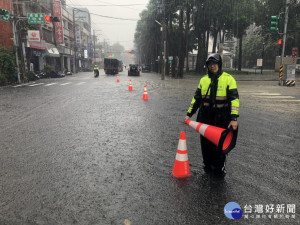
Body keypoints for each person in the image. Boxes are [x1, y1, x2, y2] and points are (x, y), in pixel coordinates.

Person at [184, 53, 239, 177]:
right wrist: (189, 114)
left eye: (214, 64)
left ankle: (219, 171)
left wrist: (234, 118)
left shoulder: (228, 79)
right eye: (209, 64)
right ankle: (207, 167)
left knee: (220, 147)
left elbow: (234, 100)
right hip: (205, 117)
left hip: (221, 118)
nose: (212, 66)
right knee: (205, 145)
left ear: (219, 64)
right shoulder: (203, 80)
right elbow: (196, 99)